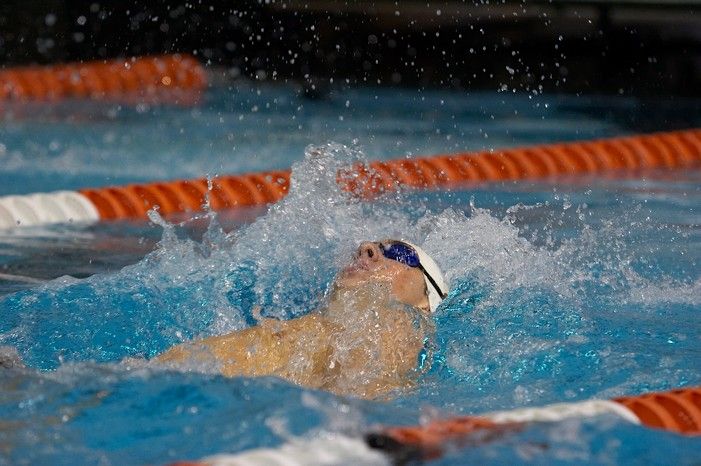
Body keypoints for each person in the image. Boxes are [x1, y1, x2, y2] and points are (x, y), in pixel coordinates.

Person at [157, 240, 448, 399]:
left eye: (398, 252)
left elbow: (354, 407)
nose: (367, 247)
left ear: (425, 300)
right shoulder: (334, 326)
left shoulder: (399, 323)